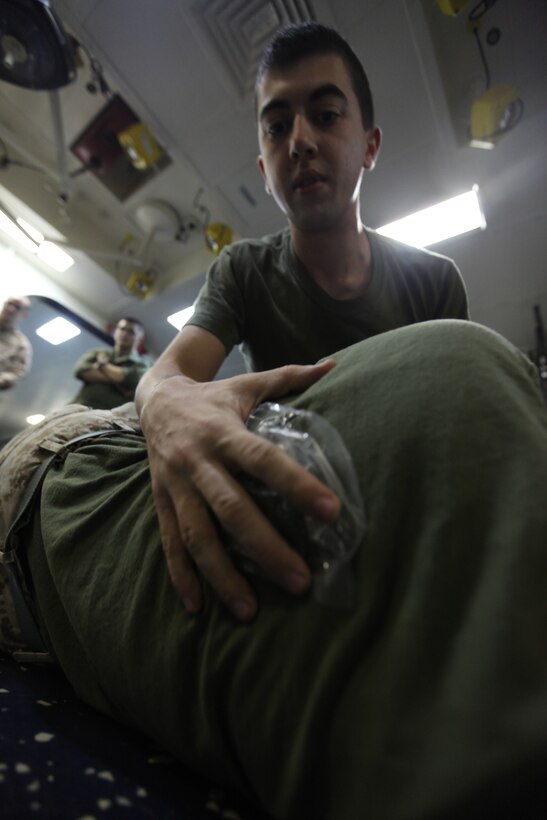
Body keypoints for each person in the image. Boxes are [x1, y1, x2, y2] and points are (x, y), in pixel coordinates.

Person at [135, 23, 469, 621]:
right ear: (263, 168)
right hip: (301, 523)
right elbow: (168, 376)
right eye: (277, 125)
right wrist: (163, 409)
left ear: (369, 144)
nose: (301, 141)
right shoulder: (241, 271)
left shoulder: (435, 282)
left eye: (327, 114)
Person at [72, 316, 148, 410]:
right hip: (78, 408)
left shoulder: (143, 365)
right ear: (115, 331)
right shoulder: (97, 352)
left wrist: (102, 364)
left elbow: (132, 380)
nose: (124, 334)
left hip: (110, 418)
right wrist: (120, 384)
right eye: (122, 329)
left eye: (131, 332)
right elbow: (81, 370)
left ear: (140, 338)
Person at [0, 295, 32, 391]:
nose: (10, 309)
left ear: (24, 314)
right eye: (10, 303)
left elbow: (18, 372)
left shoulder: (21, 345)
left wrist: (3, 379)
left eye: (17, 307)